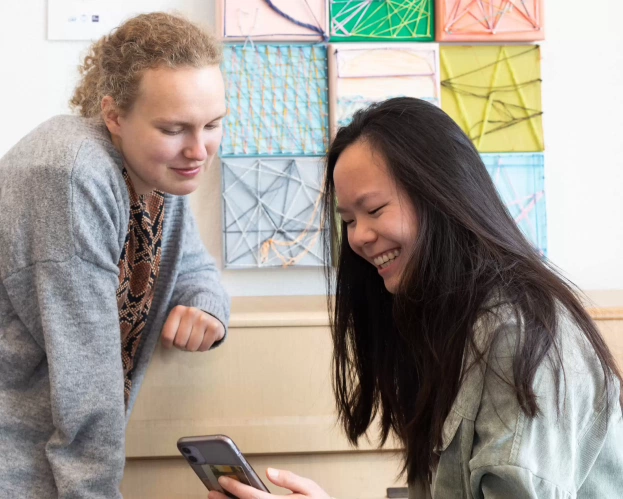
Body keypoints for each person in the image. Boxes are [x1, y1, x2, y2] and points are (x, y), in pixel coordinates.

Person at [210, 98, 623, 498]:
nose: (358, 237)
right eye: (349, 220)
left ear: (440, 192)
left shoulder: (516, 337)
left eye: (374, 210)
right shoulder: (447, 322)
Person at [0, 12, 230, 498]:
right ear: (114, 115)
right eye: (174, 128)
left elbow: (192, 265)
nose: (198, 150)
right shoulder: (70, 177)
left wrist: (205, 305)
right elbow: (87, 381)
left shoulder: (155, 176)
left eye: (213, 124)